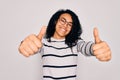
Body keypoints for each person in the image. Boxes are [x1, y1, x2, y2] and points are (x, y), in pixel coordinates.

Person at [18, 9, 111, 80]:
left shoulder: (76, 43)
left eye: (70, 24)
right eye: (63, 20)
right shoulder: (43, 43)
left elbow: (86, 47)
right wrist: (24, 45)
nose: (65, 25)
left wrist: (95, 48)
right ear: (55, 21)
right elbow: (32, 46)